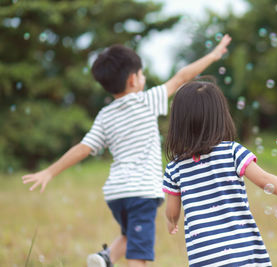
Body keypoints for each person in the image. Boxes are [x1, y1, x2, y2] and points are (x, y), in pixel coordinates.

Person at [22, 35, 232, 267]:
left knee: (131, 234)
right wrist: (213, 55)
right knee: (138, 253)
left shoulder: (105, 115)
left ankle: (106, 258)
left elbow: (83, 148)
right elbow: (182, 77)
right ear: (133, 79)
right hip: (141, 192)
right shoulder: (146, 101)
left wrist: (49, 172)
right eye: (142, 74)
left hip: (116, 194)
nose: (143, 78)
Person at [162, 79, 277, 267]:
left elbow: (172, 211)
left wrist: (172, 221)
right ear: (220, 117)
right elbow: (265, 180)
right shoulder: (232, 152)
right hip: (241, 252)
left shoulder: (174, 168)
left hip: (205, 258)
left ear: (179, 123)